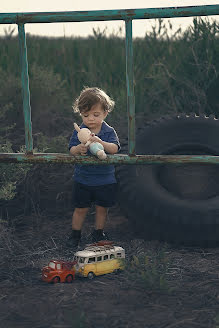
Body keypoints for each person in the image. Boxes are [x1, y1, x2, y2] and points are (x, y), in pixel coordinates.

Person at [67, 87, 120, 248]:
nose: (90, 119)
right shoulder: (80, 132)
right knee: (80, 208)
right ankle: (75, 235)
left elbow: (114, 149)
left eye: (95, 115)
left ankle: (98, 233)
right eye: (85, 115)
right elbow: (71, 149)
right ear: (81, 114)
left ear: (105, 113)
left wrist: (100, 143)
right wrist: (79, 149)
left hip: (104, 179)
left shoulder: (108, 131)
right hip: (83, 178)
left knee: (102, 208)